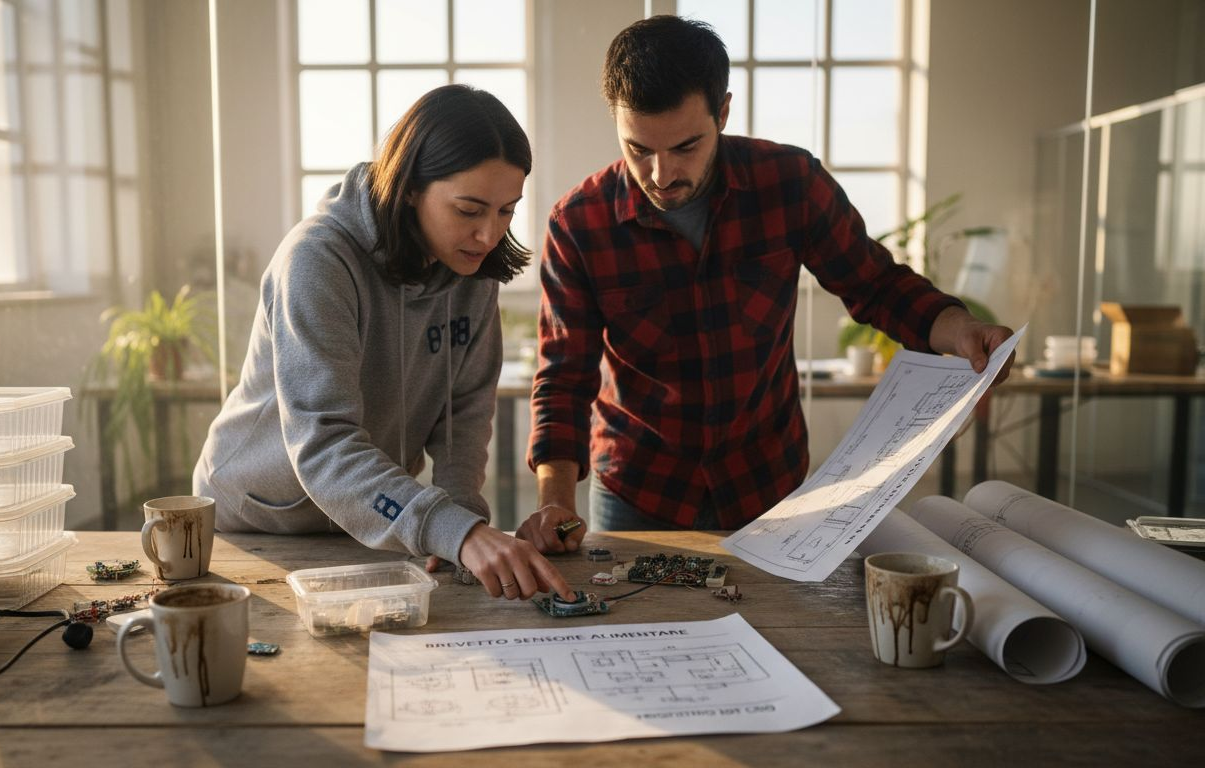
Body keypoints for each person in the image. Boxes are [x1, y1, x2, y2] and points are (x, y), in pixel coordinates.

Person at [516, 16, 1014, 549]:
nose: (661, 174)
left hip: (765, 481)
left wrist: (960, 329)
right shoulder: (579, 223)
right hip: (639, 489)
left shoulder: (790, 184)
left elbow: (876, 285)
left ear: (723, 112)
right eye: (639, 149)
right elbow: (564, 380)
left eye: (685, 147)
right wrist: (555, 504)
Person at [195, 84, 572, 601]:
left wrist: (461, 517)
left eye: (506, 211)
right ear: (412, 186)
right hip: (257, 524)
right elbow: (324, 444)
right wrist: (453, 531)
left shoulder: (472, 268)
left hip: (374, 521)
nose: (489, 235)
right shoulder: (316, 261)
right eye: (469, 210)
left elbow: (464, 412)